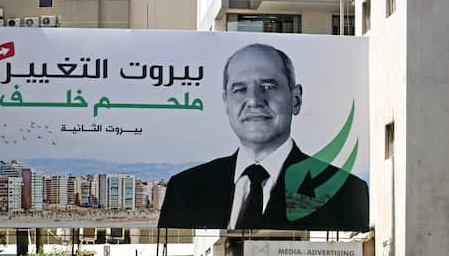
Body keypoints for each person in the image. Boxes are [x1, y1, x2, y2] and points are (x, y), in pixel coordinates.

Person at [158, 43, 369, 231]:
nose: (253, 101)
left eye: (268, 87)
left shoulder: (343, 191)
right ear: (226, 103)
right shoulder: (185, 188)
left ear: (295, 99)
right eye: (240, 89)